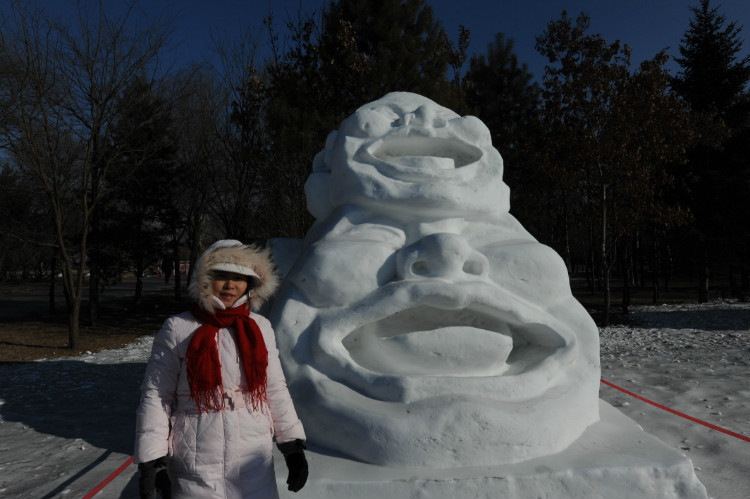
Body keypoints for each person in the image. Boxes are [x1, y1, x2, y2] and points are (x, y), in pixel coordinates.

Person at [134, 240, 308, 499]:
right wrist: (153, 460)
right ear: (204, 279)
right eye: (221, 276)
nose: (230, 285)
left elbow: (274, 388)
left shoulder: (260, 327)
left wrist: (292, 444)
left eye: (239, 277)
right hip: (197, 457)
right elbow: (156, 394)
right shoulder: (178, 327)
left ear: (250, 283)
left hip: (253, 458)